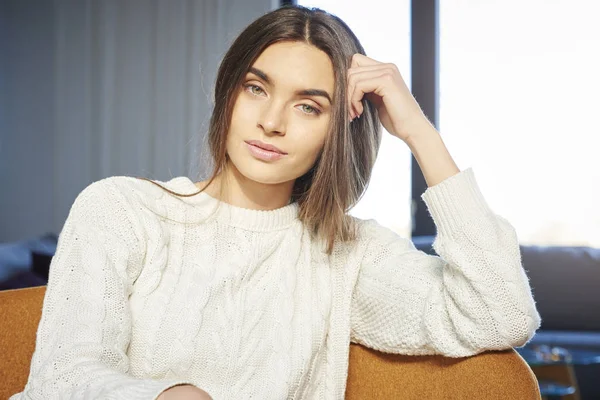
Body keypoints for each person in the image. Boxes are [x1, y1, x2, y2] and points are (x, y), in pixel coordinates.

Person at [11, 4, 542, 400]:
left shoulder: (347, 253)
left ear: (338, 129)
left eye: (309, 107)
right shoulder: (121, 210)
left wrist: (419, 131)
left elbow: (498, 314)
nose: (272, 122)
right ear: (228, 94)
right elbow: (61, 378)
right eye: (257, 89)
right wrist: (170, 396)